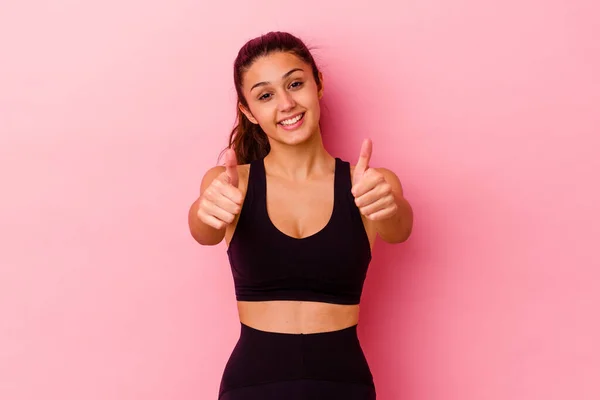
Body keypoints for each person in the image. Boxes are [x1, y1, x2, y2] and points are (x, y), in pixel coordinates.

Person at [188, 31, 413, 400]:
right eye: (265, 95)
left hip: (343, 385)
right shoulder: (230, 184)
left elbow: (400, 228)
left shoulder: (369, 183)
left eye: (295, 83)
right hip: (253, 386)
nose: (287, 103)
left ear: (317, 84)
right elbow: (203, 230)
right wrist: (205, 210)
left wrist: (390, 205)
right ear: (248, 111)